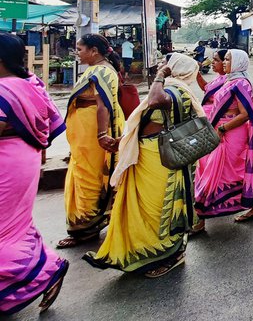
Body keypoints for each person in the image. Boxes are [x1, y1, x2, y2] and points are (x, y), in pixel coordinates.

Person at [84, 53, 202, 277]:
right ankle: (139, 251)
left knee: (160, 209)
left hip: (162, 160)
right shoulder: (170, 88)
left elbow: (156, 101)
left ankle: (171, 254)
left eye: (167, 63)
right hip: (146, 155)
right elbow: (144, 123)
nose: (162, 65)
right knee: (141, 209)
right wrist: (123, 142)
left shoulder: (177, 91)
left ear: (176, 68)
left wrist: (160, 76)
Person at [0, 34, 68, 314]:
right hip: (22, 157)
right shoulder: (32, 84)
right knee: (13, 224)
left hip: (7, 159)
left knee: (5, 229)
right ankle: (46, 266)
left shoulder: (6, 89)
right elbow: (51, 127)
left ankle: (45, 270)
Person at [58, 34, 125, 248]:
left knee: (89, 176)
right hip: (84, 134)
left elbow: (103, 105)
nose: (77, 53)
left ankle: (86, 227)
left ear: (94, 50)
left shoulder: (102, 71)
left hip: (93, 133)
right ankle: (87, 224)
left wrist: (101, 134)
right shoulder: (96, 69)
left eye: (80, 49)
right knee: (84, 174)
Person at [193, 49, 253, 230]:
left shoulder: (242, 83)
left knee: (220, 172)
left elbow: (246, 114)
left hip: (232, 132)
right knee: (229, 172)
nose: (224, 62)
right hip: (221, 130)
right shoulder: (230, 81)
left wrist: (223, 128)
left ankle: (201, 216)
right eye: (223, 59)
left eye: (227, 59)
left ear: (238, 62)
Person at [197, 48, 228, 118]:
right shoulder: (219, 77)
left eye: (216, 60)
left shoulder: (228, 81)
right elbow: (206, 88)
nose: (212, 62)